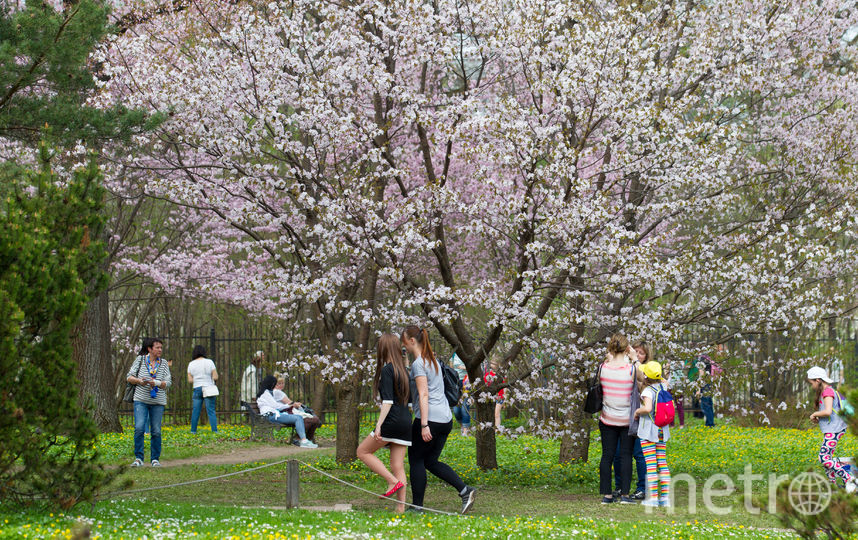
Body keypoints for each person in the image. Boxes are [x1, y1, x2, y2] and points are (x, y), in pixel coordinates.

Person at [402, 325, 476, 514]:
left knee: (416, 459)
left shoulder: (419, 364)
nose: (404, 346)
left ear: (412, 341)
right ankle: (465, 490)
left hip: (429, 418)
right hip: (445, 418)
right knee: (431, 461)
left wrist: (424, 424)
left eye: (404, 341)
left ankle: (417, 506)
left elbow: (423, 394)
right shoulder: (432, 360)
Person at [356, 334, 412, 513]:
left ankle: (392, 481)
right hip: (405, 422)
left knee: (363, 451)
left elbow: (387, 402)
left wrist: (379, 425)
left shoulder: (388, 370)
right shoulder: (405, 370)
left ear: (383, 349)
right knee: (398, 465)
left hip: (392, 421)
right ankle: (400, 508)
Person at [598, 333, 637, 504]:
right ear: (627, 348)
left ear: (610, 348)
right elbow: (643, 380)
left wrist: (608, 359)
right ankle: (625, 495)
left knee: (607, 455)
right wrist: (635, 359)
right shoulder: (631, 369)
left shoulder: (603, 368)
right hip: (626, 419)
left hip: (607, 418)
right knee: (626, 455)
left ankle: (607, 495)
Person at [808, 366, 858, 491]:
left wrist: (814, 414)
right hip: (833, 428)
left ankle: (849, 479)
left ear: (818, 380)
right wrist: (819, 418)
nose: (812, 386)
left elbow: (828, 411)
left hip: (835, 430)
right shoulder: (827, 392)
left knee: (823, 458)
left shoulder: (827, 392)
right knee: (827, 458)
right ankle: (833, 486)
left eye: (812, 383)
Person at [126, 337, 172, 467]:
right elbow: (129, 377)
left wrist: (156, 383)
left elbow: (168, 382)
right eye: (157, 347)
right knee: (139, 428)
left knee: (156, 430)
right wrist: (140, 381)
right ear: (149, 349)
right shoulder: (140, 360)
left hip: (158, 402)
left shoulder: (163, 363)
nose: (160, 350)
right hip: (141, 400)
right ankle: (139, 458)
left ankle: (155, 459)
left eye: (161, 348)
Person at [613, 340, 649, 500]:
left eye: (641, 353)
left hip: (641, 418)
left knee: (639, 454)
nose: (638, 355)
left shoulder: (648, 370)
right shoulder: (625, 368)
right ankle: (620, 486)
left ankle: (642, 488)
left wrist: (636, 362)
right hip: (623, 417)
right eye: (636, 352)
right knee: (618, 453)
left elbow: (644, 383)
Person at [634, 361, 672, 507]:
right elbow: (663, 380)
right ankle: (665, 498)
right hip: (662, 430)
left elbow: (648, 408)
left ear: (645, 376)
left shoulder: (647, 391)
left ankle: (654, 498)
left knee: (650, 464)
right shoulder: (664, 386)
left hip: (649, 433)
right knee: (662, 462)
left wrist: (638, 411)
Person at [256, 375, 318, 448]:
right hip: (271, 415)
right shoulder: (265, 393)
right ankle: (304, 441)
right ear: (271, 384)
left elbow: (275, 406)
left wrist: (289, 406)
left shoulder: (266, 393)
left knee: (298, 417)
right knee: (298, 418)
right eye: (275, 384)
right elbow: (276, 406)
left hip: (273, 414)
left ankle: (304, 440)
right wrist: (289, 406)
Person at [273, 374, 321, 442]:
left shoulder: (276, 392)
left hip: (287, 412)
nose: (281, 385)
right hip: (286, 413)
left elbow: (289, 403)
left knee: (314, 420)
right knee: (314, 420)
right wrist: (297, 404)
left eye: (283, 383)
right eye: (279, 383)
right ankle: (299, 438)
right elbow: (290, 403)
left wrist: (296, 404)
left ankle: (305, 438)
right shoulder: (277, 392)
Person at [187, 345, 218, 433]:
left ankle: (193, 431)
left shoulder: (191, 364)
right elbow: (215, 377)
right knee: (211, 410)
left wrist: (197, 379)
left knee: (196, 411)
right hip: (208, 387)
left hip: (197, 387)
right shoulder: (209, 362)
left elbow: (190, 380)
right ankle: (214, 431)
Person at [450, 352, 471, 436]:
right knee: (456, 409)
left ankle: (466, 430)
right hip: (456, 382)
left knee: (465, 407)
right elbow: (451, 368)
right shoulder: (454, 354)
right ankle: (462, 426)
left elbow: (473, 367)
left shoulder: (468, 353)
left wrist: (463, 367)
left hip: (466, 381)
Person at [484, 359, 505, 428]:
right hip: (491, 396)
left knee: (496, 414)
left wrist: (505, 398)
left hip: (500, 396)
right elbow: (485, 385)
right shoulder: (488, 374)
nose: (492, 365)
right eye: (491, 363)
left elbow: (505, 387)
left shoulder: (501, 374)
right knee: (492, 414)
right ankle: (493, 427)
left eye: (494, 364)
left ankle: (497, 429)